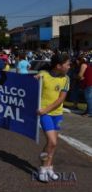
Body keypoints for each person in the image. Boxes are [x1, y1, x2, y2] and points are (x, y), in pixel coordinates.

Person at [35, 53, 70, 182]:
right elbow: (32, 86)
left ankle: (50, 167)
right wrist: (34, 78)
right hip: (45, 114)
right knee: (52, 142)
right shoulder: (43, 74)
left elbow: (61, 99)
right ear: (58, 66)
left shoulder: (66, 78)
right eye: (67, 64)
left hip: (57, 114)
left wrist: (46, 109)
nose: (69, 66)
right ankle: (43, 168)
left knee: (53, 144)